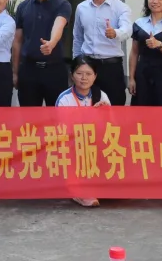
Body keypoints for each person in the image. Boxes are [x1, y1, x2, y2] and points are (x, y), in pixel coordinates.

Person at [12, 0, 71, 107]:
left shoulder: (62, 5)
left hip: (54, 69)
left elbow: (59, 24)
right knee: (29, 116)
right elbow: (17, 41)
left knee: (57, 115)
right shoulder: (23, 7)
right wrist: (15, 72)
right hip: (28, 70)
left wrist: (52, 43)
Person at [72, 0, 132, 106]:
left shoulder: (121, 7)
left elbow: (127, 30)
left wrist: (115, 33)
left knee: (115, 107)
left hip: (111, 66)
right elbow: (78, 37)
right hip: (88, 65)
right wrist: (76, 63)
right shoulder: (82, 8)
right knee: (87, 107)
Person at [55, 56, 110, 209]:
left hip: (96, 143)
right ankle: (79, 190)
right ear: (72, 75)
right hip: (73, 144)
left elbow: (111, 128)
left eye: (88, 74)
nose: (84, 78)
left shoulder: (101, 96)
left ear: (95, 76)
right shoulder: (64, 99)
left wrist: (105, 115)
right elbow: (62, 130)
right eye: (79, 73)